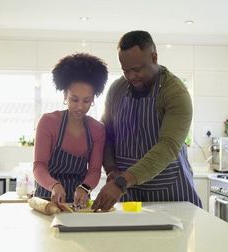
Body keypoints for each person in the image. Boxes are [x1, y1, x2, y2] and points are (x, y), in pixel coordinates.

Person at [92, 30, 202, 211]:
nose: (131, 77)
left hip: (171, 194)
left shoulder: (175, 93)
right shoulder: (117, 89)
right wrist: (111, 169)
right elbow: (107, 134)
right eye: (125, 71)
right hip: (130, 195)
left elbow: (168, 147)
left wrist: (121, 182)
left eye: (137, 69)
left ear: (154, 57)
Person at [33, 53, 108, 211]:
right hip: (47, 201)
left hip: (79, 203)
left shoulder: (97, 130)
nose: (80, 106)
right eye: (74, 99)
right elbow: (39, 167)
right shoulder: (48, 122)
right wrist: (54, 185)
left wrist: (85, 187)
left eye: (86, 100)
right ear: (64, 95)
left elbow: (94, 170)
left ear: (93, 99)